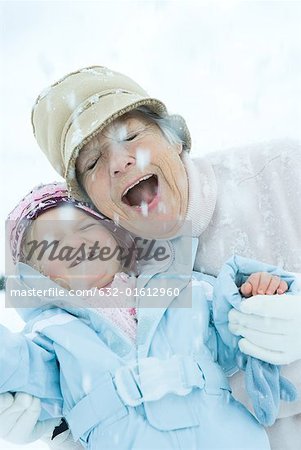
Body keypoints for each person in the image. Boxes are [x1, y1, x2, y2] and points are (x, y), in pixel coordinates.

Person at [2, 66, 301, 448]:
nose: (119, 161)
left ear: (175, 137)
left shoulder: (282, 172)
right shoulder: (108, 286)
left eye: (132, 135)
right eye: (92, 163)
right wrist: (57, 420)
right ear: (92, 202)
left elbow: (231, 334)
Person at [3, 182, 298, 449]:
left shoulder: (182, 289)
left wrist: (260, 295)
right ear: (39, 277)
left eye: (84, 228)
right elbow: (20, 367)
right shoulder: (52, 334)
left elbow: (237, 328)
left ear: (114, 237)